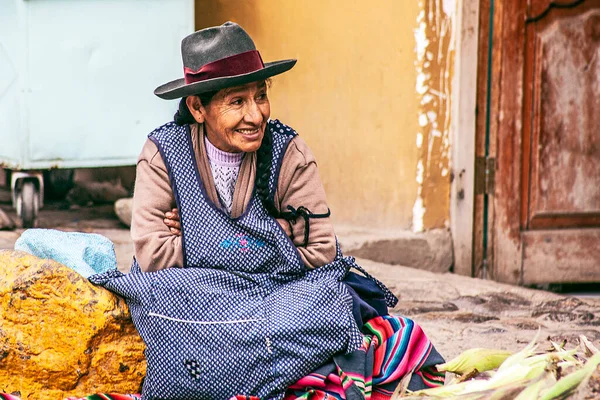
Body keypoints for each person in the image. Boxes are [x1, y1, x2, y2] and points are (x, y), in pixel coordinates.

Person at [91, 22, 444, 400]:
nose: (256, 115)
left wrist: (200, 234)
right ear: (197, 107)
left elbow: (322, 251)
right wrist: (275, 232)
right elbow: (154, 255)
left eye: (261, 96)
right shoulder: (162, 153)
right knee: (162, 292)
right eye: (237, 101)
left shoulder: (289, 153)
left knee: (326, 300)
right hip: (192, 295)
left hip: (276, 295)